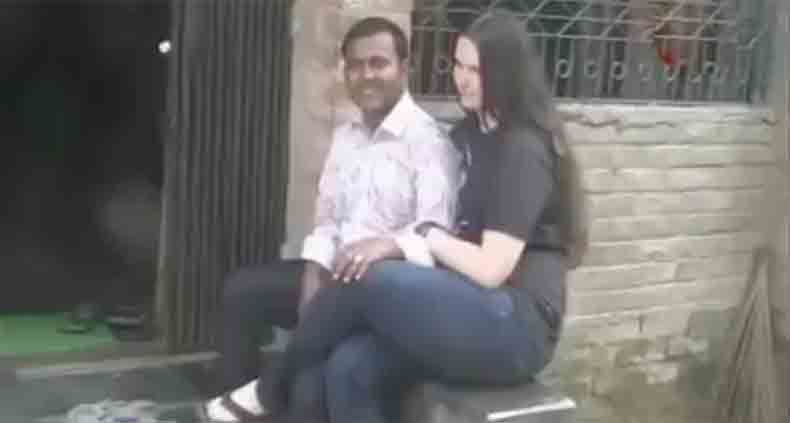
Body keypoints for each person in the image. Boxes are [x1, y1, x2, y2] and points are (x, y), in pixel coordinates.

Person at [209, 10, 589, 423]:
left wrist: (426, 234)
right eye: (459, 65)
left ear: (506, 73)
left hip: (516, 325)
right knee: (349, 368)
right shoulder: (472, 135)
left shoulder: (523, 149)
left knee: (368, 273)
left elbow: (491, 268)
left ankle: (268, 389)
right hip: (470, 302)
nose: (462, 79)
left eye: (476, 70)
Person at [198, 16, 462, 422]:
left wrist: (388, 246)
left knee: (310, 384)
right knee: (242, 292)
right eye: (355, 65)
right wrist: (311, 287)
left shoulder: (429, 142)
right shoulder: (346, 137)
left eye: (378, 63)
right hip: (333, 276)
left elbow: (435, 237)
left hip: (382, 294)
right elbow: (326, 224)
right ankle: (234, 408)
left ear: (404, 68)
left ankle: (266, 398)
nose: (366, 75)